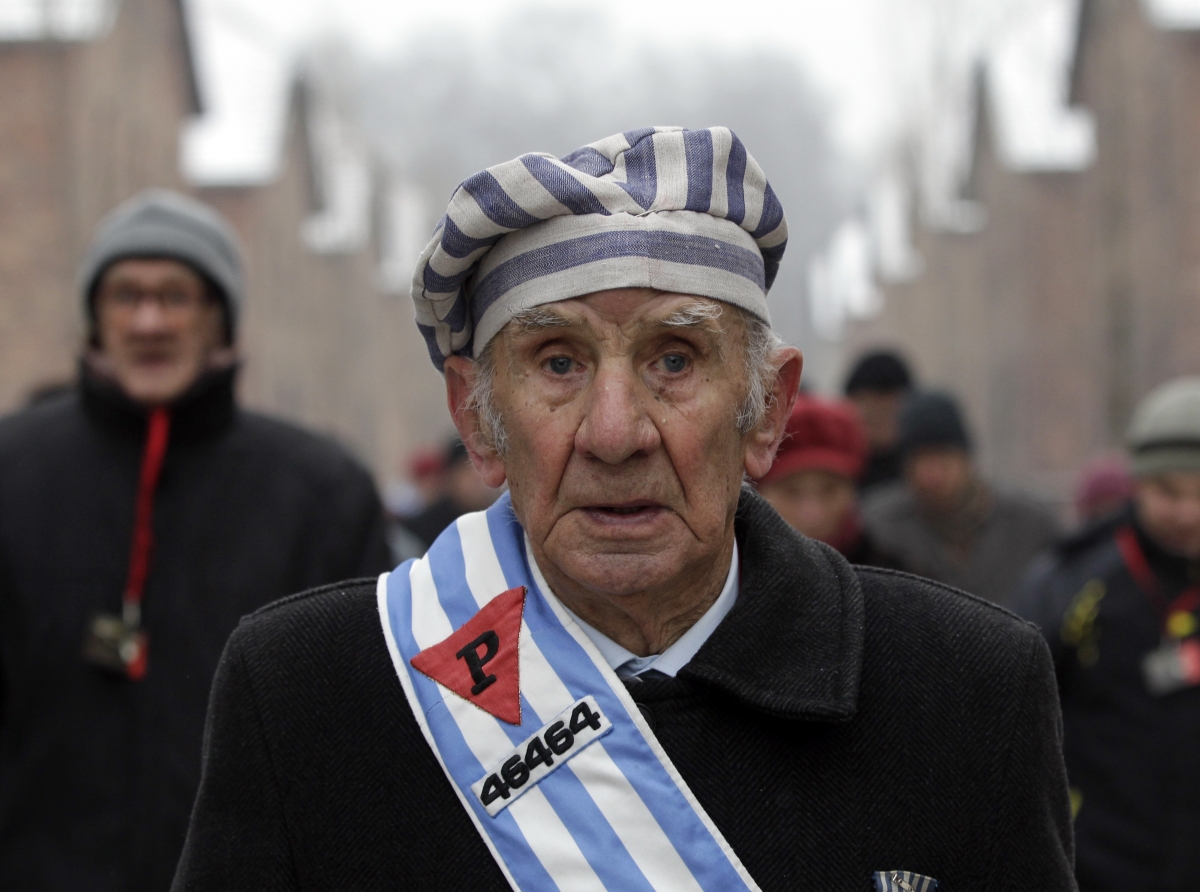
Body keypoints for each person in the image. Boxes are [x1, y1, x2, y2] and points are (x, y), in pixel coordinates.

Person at [174, 127, 1074, 891]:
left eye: (675, 359)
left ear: (766, 412)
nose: (616, 433)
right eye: (558, 362)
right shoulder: (306, 695)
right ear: (476, 421)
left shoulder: (971, 693)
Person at [0, 190, 392, 890]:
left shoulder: (322, 493)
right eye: (126, 295)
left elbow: (360, 739)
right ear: (95, 317)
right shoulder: (12, 471)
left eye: (176, 296)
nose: (150, 321)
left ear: (221, 319)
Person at [1016, 377, 1200, 892]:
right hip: (1103, 863)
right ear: (1137, 484)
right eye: (1168, 492)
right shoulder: (1075, 582)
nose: (1188, 513)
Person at [864, 390, 1059, 606]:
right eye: (919, 460)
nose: (931, 473)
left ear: (965, 458)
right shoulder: (879, 526)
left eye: (943, 456)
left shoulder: (1030, 524)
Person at [756, 394, 903, 568]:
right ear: (760, 492)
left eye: (829, 491)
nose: (812, 515)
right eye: (791, 492)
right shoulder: (730, 579)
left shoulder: (891, 574)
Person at [398, 437, 502, 550]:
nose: (478, 482)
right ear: (452, 477)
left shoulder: (499, 517)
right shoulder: (425, 526)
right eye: (469, 474)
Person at [844, 349, 913, 492]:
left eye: (891, 404)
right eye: (871, 405)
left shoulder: (921, 474)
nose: (881, 412)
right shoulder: (838, 470)